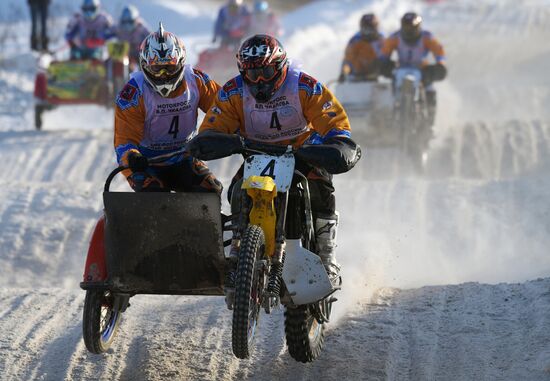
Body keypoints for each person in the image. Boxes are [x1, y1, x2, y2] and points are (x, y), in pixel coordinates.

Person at [188, 35, 361, 284]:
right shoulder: (233, 91)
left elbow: (334, 121)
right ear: (241, 70)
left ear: (281, 66)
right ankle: (239, 249)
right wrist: (213, 140)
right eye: (251, 73)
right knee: (236, 190)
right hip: (257, 152)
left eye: (266, 71)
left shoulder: (303, 85)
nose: (258, 80)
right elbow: (213, 126)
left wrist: (337, 141)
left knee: (320, 185)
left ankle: (327, 254)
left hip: (301, 152)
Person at [114, 23, 223, 194]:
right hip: (146, 164)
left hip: (185, 157)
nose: (163, 75)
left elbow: (225, 109)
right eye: (157, 69)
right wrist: (132, 157)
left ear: (181, 63)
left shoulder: (197, 81)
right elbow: (123, 140)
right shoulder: (133, 94)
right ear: (145, 65)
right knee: (155, 196)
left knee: (211, 189)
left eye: (170, 68)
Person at [379, 12, 447, 123]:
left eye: (412, 28)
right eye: (406, 28)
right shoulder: (395, 37)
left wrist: (440, 63)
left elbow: (439, 50)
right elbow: (384, 53)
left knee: (430, 89)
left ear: (418, 27)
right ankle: (388, 117)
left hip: (421, 70)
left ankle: (430, 122)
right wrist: (384, 64)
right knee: (389, 91)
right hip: (401, 69)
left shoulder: (427, 37)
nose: (409, 31)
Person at [339, 13, 384, 82]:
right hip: (357, 76)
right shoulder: (355, 41)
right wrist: (344, 73)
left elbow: (386, 58)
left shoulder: (382, 40)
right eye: (365, 29)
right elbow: (347, 61)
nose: (368, 32)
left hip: (377, 76)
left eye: (370, 28)